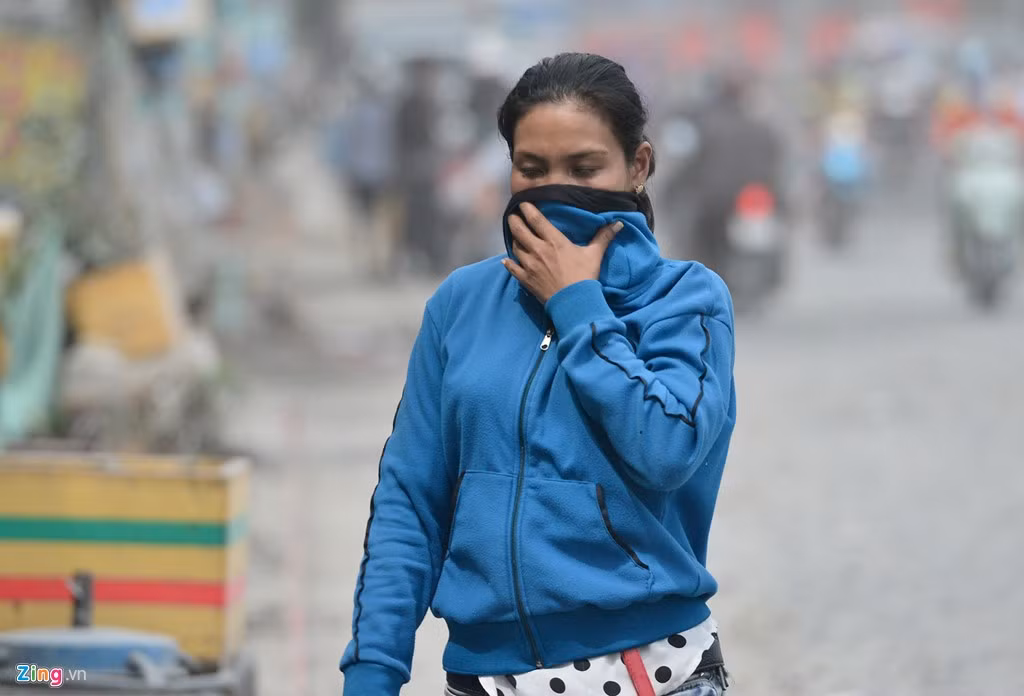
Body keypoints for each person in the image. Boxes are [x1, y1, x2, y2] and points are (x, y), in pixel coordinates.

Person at [340, 53, 737, 696]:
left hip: (648, 674)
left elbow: (667, 449)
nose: (556, 190)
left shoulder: (685, 300)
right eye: (533, 170)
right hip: (484, 678)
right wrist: (373, 668)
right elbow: (411, 502)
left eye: (584, 169)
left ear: (637, 167)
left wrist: (578, 305)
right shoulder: (460, 306)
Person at [673, 69, 785, 274]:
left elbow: (690, 166)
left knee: (701, 239)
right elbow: (776, 161)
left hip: (716, 200)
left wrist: (672, 189)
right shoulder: (760, 126)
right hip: (754, 195)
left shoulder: (706, 125)